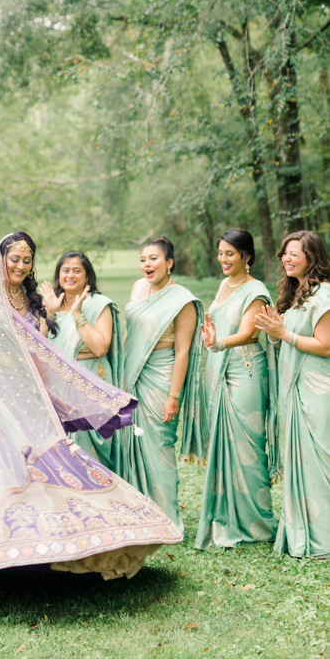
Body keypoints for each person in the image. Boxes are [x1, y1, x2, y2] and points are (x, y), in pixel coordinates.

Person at [0, 232, 183, 590]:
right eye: (14, 259)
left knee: (50, 467)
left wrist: (50, 398)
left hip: (26, 398)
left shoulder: (30, 300)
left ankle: (50, 553)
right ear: (2, 258)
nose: (20, 266)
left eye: (27, 260)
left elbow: (40, 354)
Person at [113, 237, 203, 532]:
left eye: (153, 259)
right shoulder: (139, 288)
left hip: (162, 376)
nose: (147, 265)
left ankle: (166, 520)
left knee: (160, 446)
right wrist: (121, 376)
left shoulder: (182, 299)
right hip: (132, 373)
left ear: (169, 263)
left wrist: (173, 396)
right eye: (143, 259)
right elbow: (131, 332)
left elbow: (183, 351)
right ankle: (138, 512)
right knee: (131, 443)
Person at [195, 229, 277, 549]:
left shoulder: (255, 290)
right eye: (220, 253)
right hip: (222, 373)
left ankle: (258, 524)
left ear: (246, 255)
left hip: (245, 372)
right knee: (227, 445)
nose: (224, 259)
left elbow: (247, 334)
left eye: (230, 253)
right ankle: (228, 517)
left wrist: (217, 343)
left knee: (248, 448)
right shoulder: (225, 285)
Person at [255, 230, 330, 558]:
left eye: (294, 253)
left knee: (319, 459)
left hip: (317, 388)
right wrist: (275, 333)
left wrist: (283, 333)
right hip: (293, 386)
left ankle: (323, 536)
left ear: (311, 257)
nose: (286, 258)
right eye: (284, 253)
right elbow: (285, 338)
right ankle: (303, 530)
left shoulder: (323, 295)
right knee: (299, 460)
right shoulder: (294, 293)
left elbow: (325, 346)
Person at [41, 250, 122, 470]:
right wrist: (49, 312)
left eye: (77, 271)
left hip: (88, 388)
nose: (70, 275)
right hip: (57, 390)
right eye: (65, 270)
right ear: (58, 275)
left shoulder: (99, 304)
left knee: (92, 459)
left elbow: (100, 347)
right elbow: (39, 346)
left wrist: (77, 314)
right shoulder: (51, 304)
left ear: (87, 277)